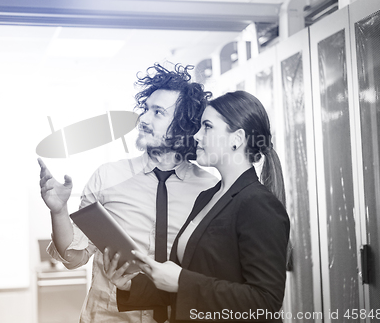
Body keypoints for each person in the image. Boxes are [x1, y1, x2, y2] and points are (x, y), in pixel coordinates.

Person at [38, 63, 218, 323]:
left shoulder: (209, 190)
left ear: (184, 125)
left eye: (158, 113)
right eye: (146, 109)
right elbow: (73, 259)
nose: (143, 119)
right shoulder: (107, 177)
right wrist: (59, 211)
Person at [104, 91, 290, 322]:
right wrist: (130, 285)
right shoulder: (208, 197)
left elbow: (265, 302)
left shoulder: (258, 204)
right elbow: (187, 285)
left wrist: (182, 281)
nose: (196, 135)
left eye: (207, 127)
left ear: (236, 139)